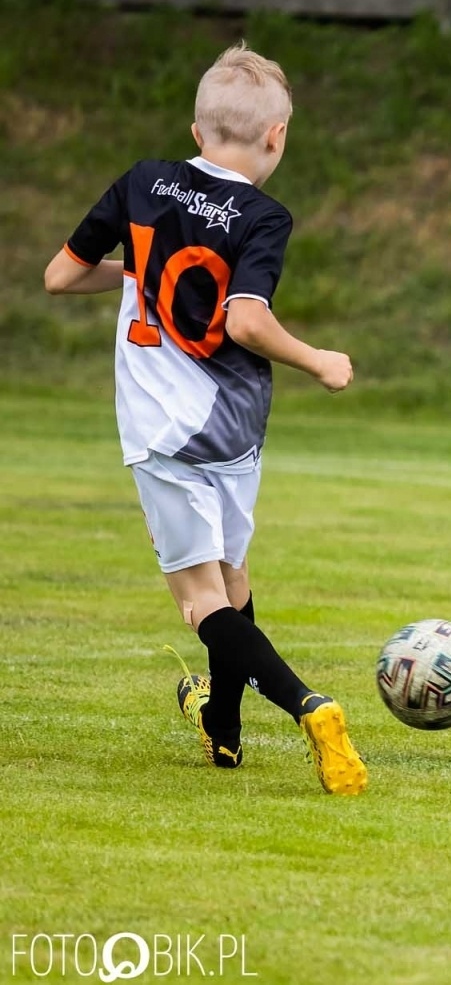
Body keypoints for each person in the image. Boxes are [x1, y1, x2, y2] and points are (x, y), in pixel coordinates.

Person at [42, 42, 367, 795]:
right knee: (232, 576)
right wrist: (317, 361)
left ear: (196, 130)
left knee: (199, 602)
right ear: (277, 138)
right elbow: (244, 321)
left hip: (165, 426)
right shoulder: (265, 215)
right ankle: (223, 729)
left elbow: (61, 276)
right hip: (238, 422)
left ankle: (309, 706)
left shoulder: (141, 181)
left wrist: (315, 356)